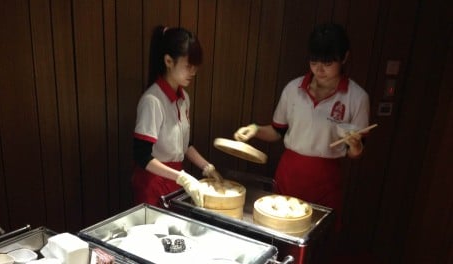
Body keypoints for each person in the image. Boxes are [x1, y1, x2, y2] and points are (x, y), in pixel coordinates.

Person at [234, 23, 369, 229]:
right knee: (277, 230)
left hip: (326, 178)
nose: (319, 69)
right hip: (289, 172)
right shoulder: (293, 89)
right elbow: (277, 131)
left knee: (318, 237)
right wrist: (255, 129)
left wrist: (356, 145)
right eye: (314, 62)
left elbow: (355, 153)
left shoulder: (357, 97)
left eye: (328, 63)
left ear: (344, 58)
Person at [132, 25, 222, 207]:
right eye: (188, 66)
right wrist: (182, 177)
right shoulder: (153, 100)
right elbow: (142, 157)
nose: (193, 72)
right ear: (168, 61)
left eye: (195, 67)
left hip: (174, 181)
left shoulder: (184, 98)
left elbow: (184, 144)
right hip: (153, 183)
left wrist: (206, 167)